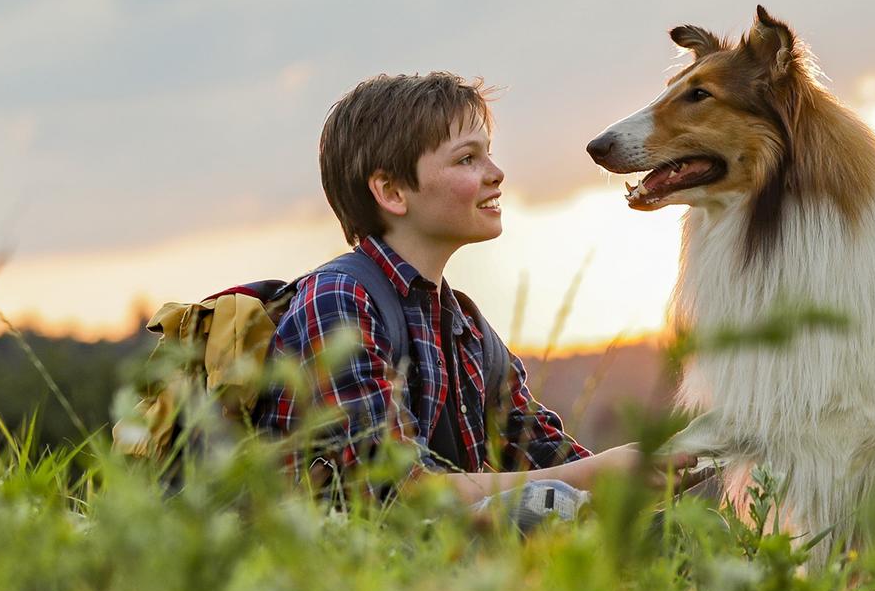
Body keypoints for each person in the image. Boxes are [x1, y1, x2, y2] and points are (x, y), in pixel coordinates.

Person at [259, 71, 700, 521]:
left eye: (487, 154)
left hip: (433, 569)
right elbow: (396, 492)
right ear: (392, 192)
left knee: (674, 530)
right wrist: (589, 478)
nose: (497, 173)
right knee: (537, 512)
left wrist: (656, 466)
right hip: (344, 577)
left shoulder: (463, 327)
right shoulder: (338, 300)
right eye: (467, 159)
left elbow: (552, 459)